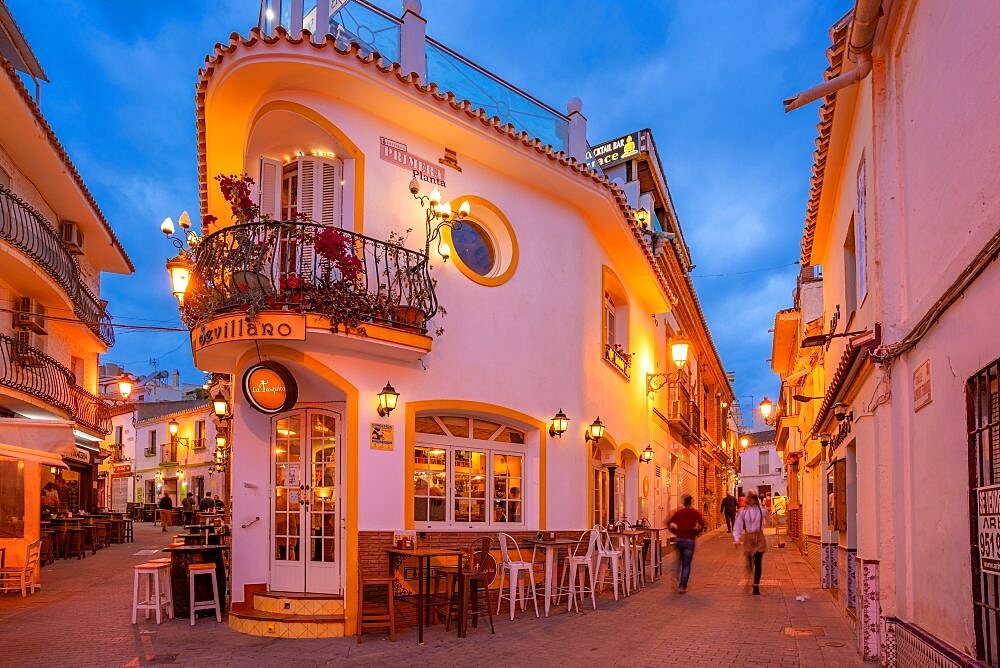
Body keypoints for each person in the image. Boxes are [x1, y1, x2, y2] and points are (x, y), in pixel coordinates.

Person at [733, 491, 773, 595]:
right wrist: (736, 539)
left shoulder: (762, 511)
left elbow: (769, 521)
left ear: (754, 499)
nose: (747, 500)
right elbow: (738, 525)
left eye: (749, 498)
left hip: (759, 537)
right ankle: (750, 575)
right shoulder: (743, 512)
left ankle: (756, 584)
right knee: (749, 562)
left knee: (758, 561)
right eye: (747, 498)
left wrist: (768, 519)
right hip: (748, 537)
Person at [666, 494, 706, 594]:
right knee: (686, 564)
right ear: (691, 502)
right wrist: (696, 532)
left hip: (679, 539)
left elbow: (668, 522)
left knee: (678, 562)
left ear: (683, 502)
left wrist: (674, 531)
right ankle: (682, 586)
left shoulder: (678, 512)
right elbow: (703, 524)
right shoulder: (695, 513)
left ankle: (675, 577)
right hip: (689, 540)